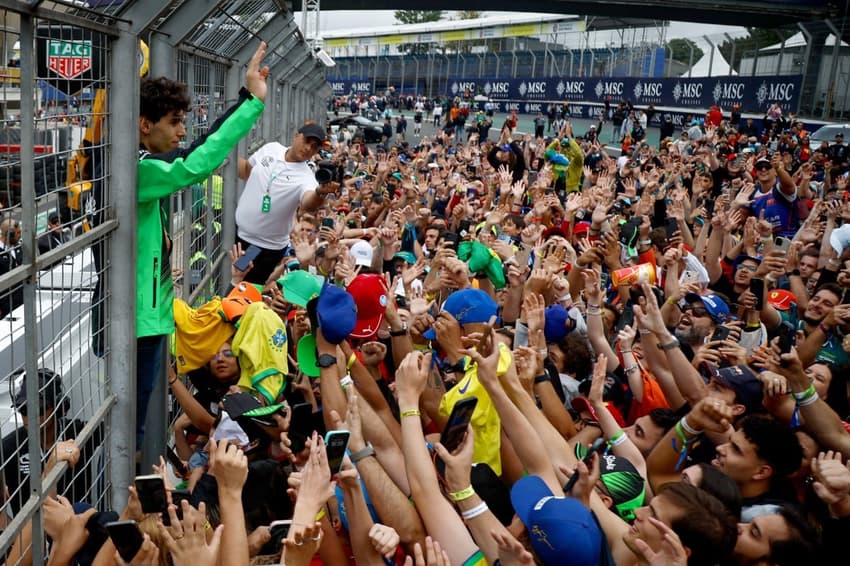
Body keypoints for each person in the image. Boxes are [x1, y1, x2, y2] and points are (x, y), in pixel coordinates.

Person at [134, 42, 269, 449]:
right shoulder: (140, 169)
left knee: (135, 423)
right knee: (131, 430)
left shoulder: (139, 165)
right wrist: (251, 103)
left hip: (149, 320)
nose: (180, 131)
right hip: (137, 325)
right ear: (144, 124)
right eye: (174, 122)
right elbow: (195, 161)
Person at [235, 123, 339, 285]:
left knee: (245, 288)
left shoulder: (306, 177)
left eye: (314, 147)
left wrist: (321, 192)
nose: (308, 148)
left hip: (263, 247)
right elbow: (247, 170)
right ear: (296, 136)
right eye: (306, 141)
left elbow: (308, 203)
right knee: (231, 280)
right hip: (240, 234)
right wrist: (222, 154)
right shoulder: (271, 148)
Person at [0, 217, 22, 318]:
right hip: (5, 304)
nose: (20, 235)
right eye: (18, 233)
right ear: (9, 234)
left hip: (21, 299)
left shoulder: (18, 247)